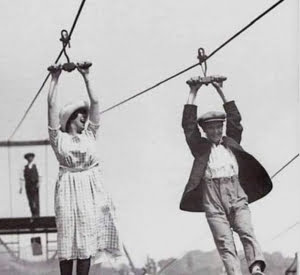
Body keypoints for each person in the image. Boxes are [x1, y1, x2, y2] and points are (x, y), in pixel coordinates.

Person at [180, 77, 273, 275]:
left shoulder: (231, 141)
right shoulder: (200, 148)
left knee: (246, 231)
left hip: (236, 194)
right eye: (210, 128)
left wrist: (221, 90)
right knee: (224, 242)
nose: (215, 131)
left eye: (218, 127)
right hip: (212, 199)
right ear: (204, 131)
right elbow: (188, 126)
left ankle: (256, 267)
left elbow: (235, 119)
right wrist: (193, 92)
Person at [47, 63, 121, 275]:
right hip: (68, 187)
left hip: (90, 188)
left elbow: (96, 102)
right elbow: (51, 107)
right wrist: (55, 79)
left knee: (86, 241)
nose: (84, 118)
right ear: (71, 119)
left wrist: (86, 77)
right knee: (67, 239)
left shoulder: (89, 135)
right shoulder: (58, 138)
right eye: (80, 115)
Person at [19, 153, 40, 217]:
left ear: (33, 158)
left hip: (35, 185)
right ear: (27, 159)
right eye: (28, 157)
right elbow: (22, 178)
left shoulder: (36, 166)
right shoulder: (24, 167)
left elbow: (40, 176)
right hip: (28, 186)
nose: (30, 159)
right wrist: (21, 187)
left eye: (31, 157)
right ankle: (33, 214)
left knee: (36, 200)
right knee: (30, 200)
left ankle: (37, 214)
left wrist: (38, 183)